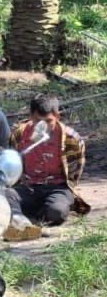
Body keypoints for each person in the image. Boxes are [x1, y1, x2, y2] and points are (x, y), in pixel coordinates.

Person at [5, 94, 89, 229]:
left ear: (57, 116)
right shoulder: (20, 134)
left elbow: (74, 173)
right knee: (4, 196)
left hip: (58, 188)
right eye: (38, 121)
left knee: (57, 211)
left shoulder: (71, 139)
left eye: (48, 121)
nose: (43, 126)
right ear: (31, 117)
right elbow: (14, 165)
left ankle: (34, 216)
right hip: (28, 187)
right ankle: (21, 218)